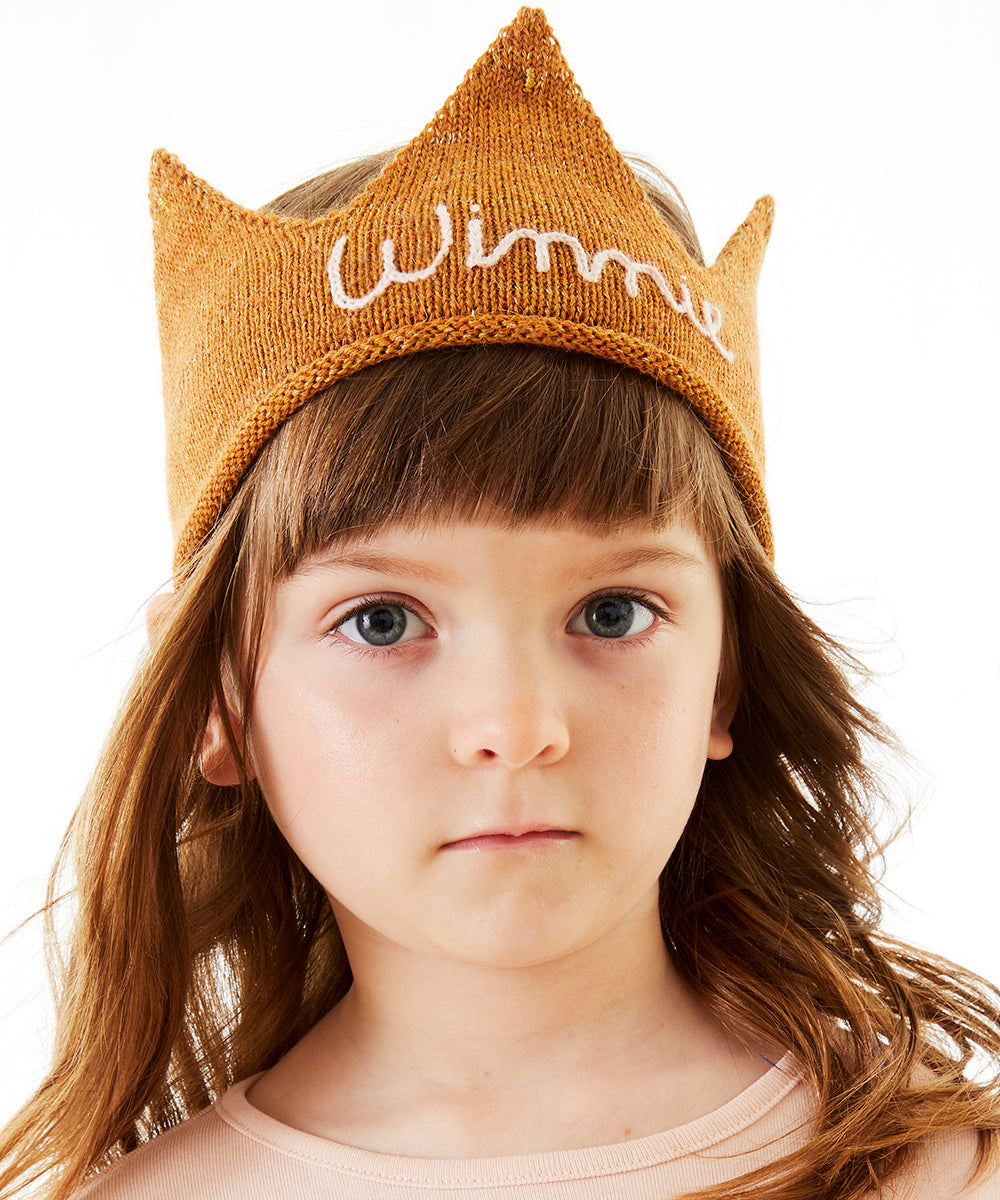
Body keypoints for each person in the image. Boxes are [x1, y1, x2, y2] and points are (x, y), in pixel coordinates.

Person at [2, 7, 998, 1199]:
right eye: (382, 620)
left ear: (727, 668)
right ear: (218, 690)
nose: (517, 724)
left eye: (615, 612)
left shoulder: (936, 1168)